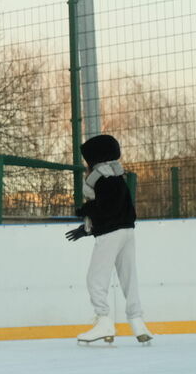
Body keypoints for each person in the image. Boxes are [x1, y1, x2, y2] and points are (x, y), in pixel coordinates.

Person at [65, 133, 153, 345]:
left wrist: (85, 210)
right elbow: (118, 208)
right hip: (127, 232)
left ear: (94, 158)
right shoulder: (117, 176)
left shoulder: (102, 178)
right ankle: (137, 321)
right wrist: (87, 229)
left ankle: (104, 321)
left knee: (95, 279)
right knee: (128, 277)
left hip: (111, 235)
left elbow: (106, 208)